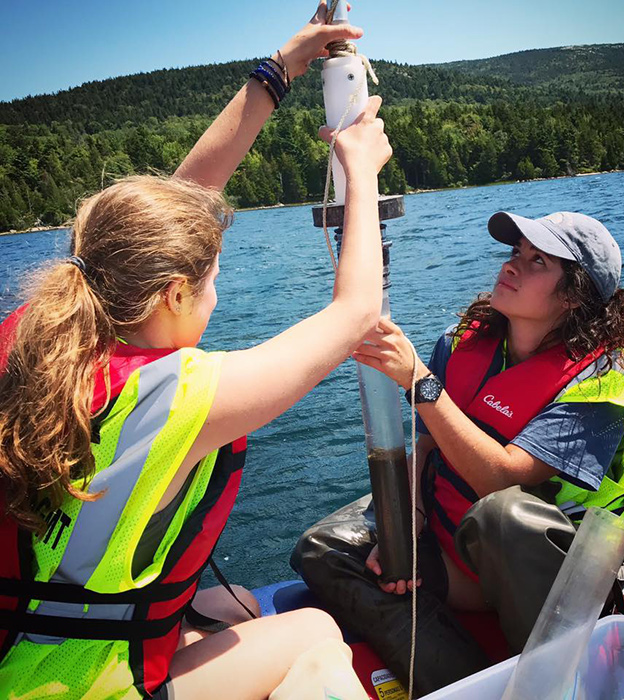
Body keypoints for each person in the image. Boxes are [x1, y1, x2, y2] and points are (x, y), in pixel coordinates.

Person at [0, 4, 393, 699]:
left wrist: (281, 70)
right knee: (313, 635)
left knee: (231, 601)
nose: (218, 292)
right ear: (175, 294)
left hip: (27, 639)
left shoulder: (46, 328)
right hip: (70, 683)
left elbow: (174, 208)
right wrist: (358, 167)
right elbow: (356, 312)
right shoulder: (173, 398)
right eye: (214, 279)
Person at [292, 210, 624, 695]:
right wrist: (410, 515)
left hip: (548, 570)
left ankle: (559, 678)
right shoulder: (463, 343)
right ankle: (466, 684)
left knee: (504, 513)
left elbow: (503, 480)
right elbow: (428, 441)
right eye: (515, 253)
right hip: (455, 547)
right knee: (323, 547)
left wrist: (418, 382)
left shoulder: (604, 379)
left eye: (537, 262)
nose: (511, 266)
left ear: (574, 295)